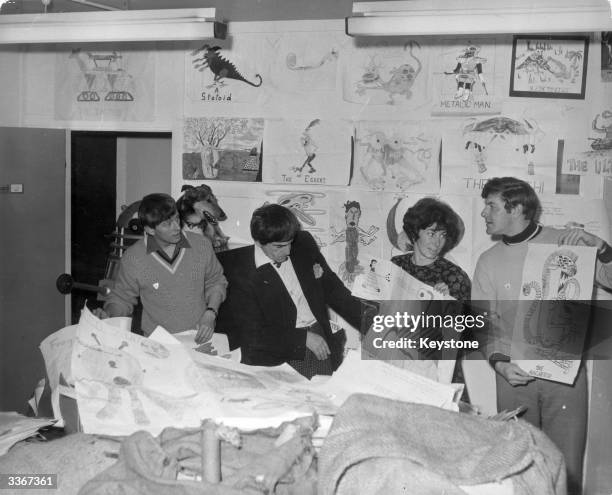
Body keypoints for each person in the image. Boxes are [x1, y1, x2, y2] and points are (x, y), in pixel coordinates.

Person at [472, 177, 612, 494]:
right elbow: (481, 322)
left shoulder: (567, 241)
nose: (484, 213)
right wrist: (499, 363)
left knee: (566, 467)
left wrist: (601, 249)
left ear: (517, 207)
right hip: (513, 375)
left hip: (564, 377)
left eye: (491, 205)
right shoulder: (488, 261)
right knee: (516, 469)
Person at [216, 203, 363, 379]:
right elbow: (251, 332)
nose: (288, 251)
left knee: (326, 395)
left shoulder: (303, 243)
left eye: (290, 243)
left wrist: (376, 323)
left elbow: (334, 291)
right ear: (258, 242)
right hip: (278, 353)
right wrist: (302, 339)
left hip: (320, 340)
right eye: (278, 246)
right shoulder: (237, 269)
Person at [96, 193, 227, 344]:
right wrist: (108, 314)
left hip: (199, 340)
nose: (177, 227)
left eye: (177, 218)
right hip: (157, 345)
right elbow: (121, 299)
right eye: (167, 224)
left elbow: (216, 281)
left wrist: (211, 313)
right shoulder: (133, 258)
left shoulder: (201, 245)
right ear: (150, 230)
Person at [391, 197, 471, 301]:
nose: (437, 242)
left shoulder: (455, 277)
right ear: (414, 232)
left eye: (442, 235)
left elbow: (467, 317)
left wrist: (448, 303)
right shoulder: (396, 264)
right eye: (431, 233)